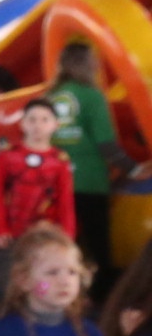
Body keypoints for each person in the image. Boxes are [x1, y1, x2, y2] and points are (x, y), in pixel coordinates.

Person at [44, 44, 123, 291]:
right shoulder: (91, 95)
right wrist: (131, 169)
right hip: (89, 178)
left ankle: (61, 289)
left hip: (55, 180)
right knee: (97, 240)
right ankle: (101, 294)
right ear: (86, 65)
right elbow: (105, 142)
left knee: (63, 240)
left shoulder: (49, 96)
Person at [0, 97, 76, 303]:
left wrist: (66, 236)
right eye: (32, 119)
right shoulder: (7, 156)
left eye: (45, 120)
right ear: (22, 123)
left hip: (46, 235)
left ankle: (40, 314)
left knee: (42, 283)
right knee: (6, 283)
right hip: (10, 233)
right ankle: (6, 319)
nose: (38, 125)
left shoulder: (60, 160)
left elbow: (65, 201)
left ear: (55, 125)